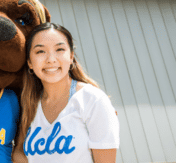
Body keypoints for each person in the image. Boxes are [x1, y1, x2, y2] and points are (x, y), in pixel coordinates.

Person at [12, 22, 119, 163]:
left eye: (60, 49)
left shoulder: (92, 99)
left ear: (71, 57)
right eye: (40, 51)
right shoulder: (28, 103)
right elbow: (19, 152)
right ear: (30, 62)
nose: (51, 59)